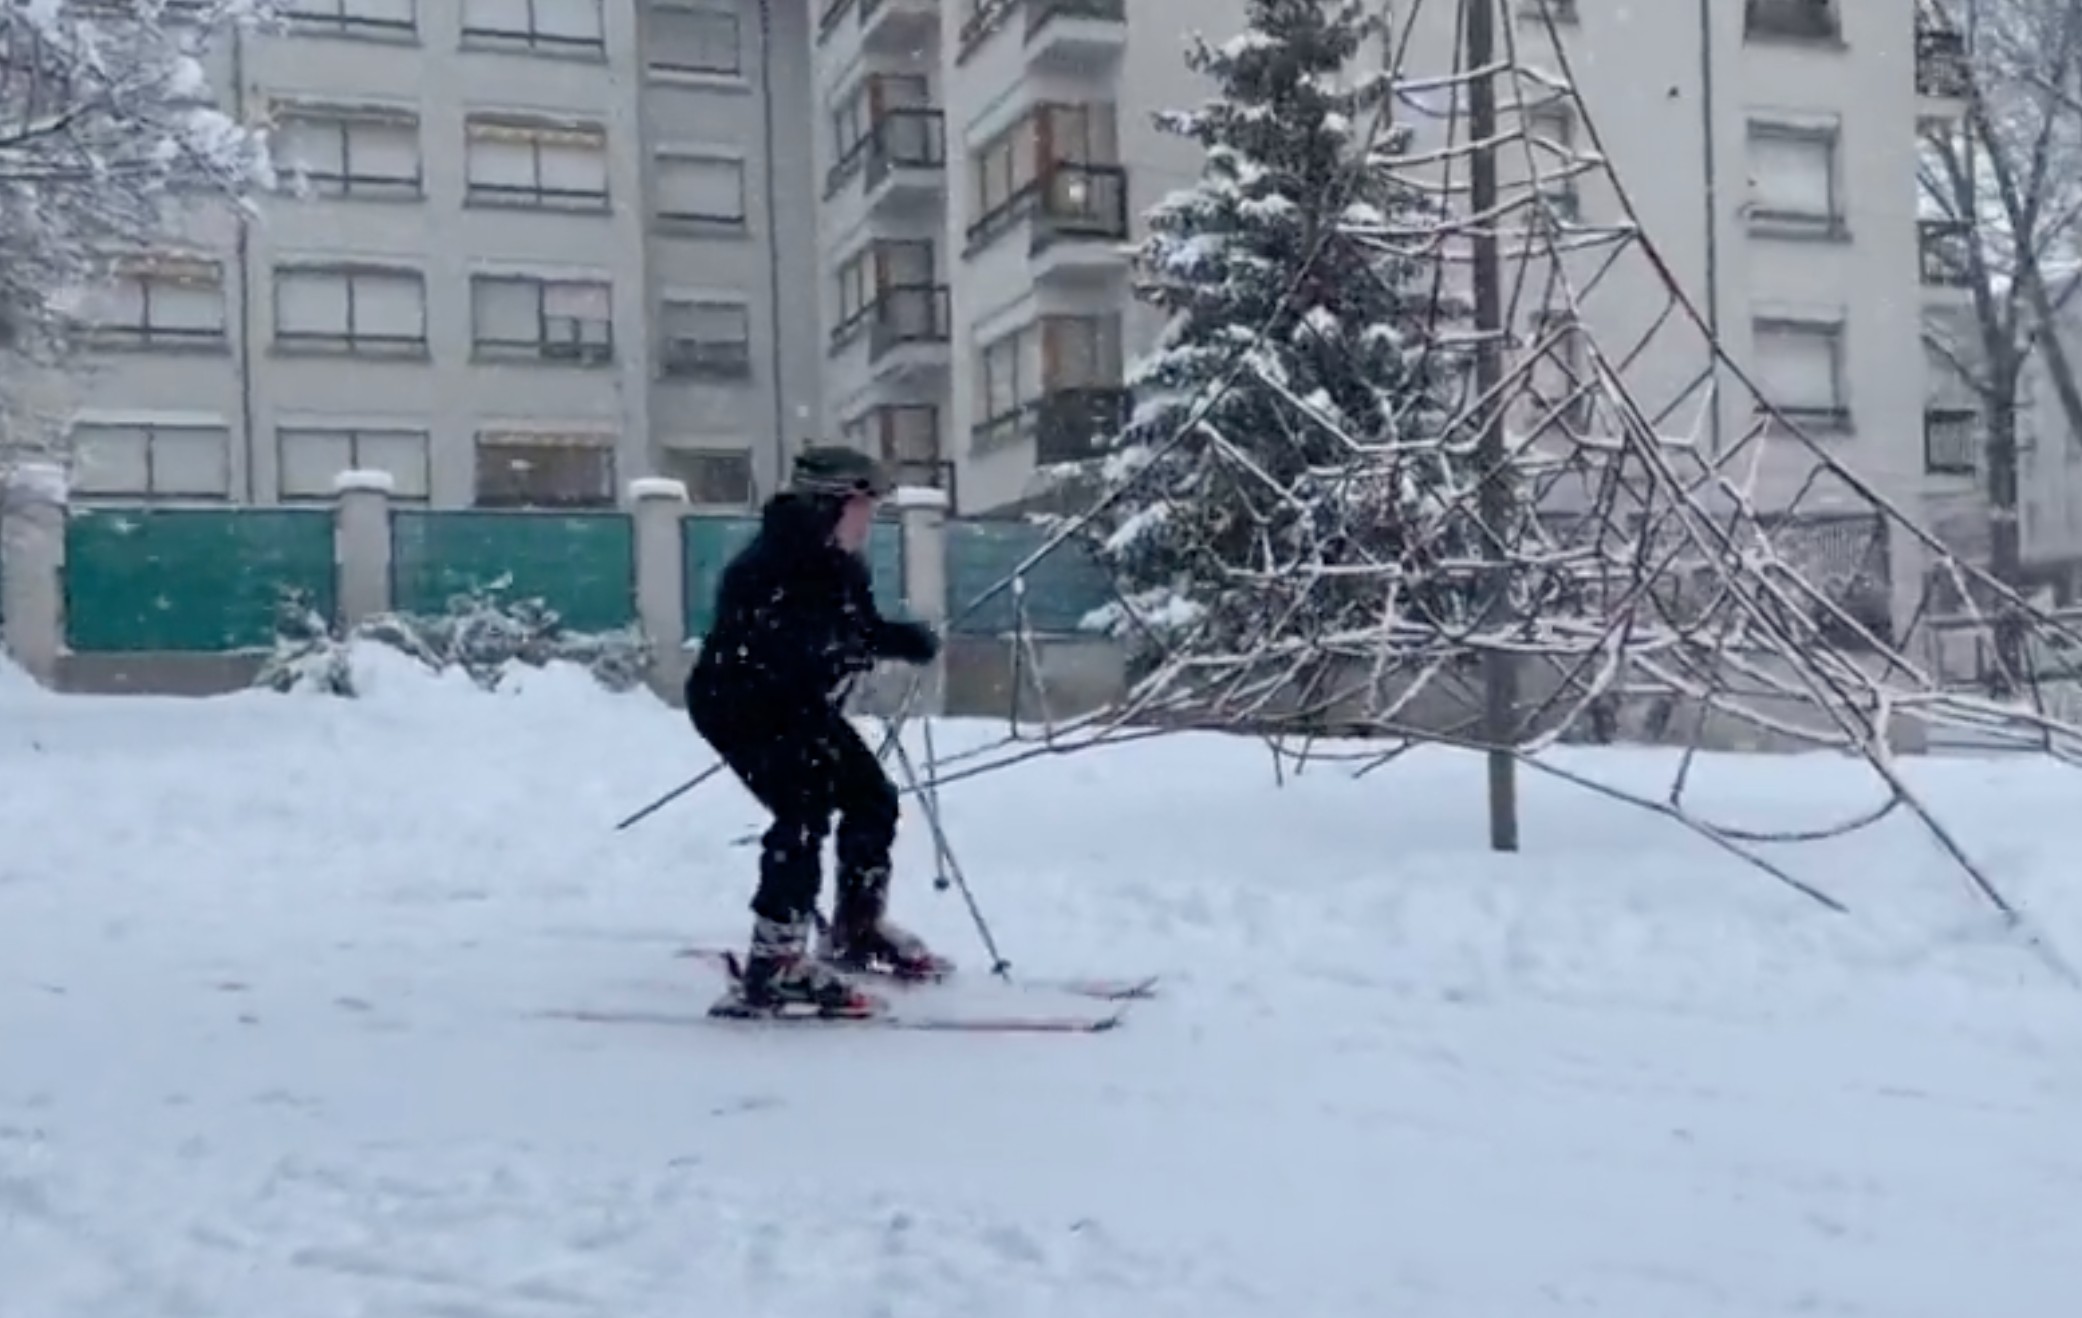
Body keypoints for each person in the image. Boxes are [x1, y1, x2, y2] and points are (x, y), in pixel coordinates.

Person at [685, 446, 946, 1017]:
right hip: (739, 703)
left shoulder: (841, 564)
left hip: (796, 703)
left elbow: (854, 628)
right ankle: (774, 963)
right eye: (864, 506)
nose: (869, 519)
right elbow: (780, 644)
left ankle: (857, 928)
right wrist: (842, 648)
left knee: (871, 797)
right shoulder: (770, 563)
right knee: (802, 811)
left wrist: (902, 640)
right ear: (832, 505)